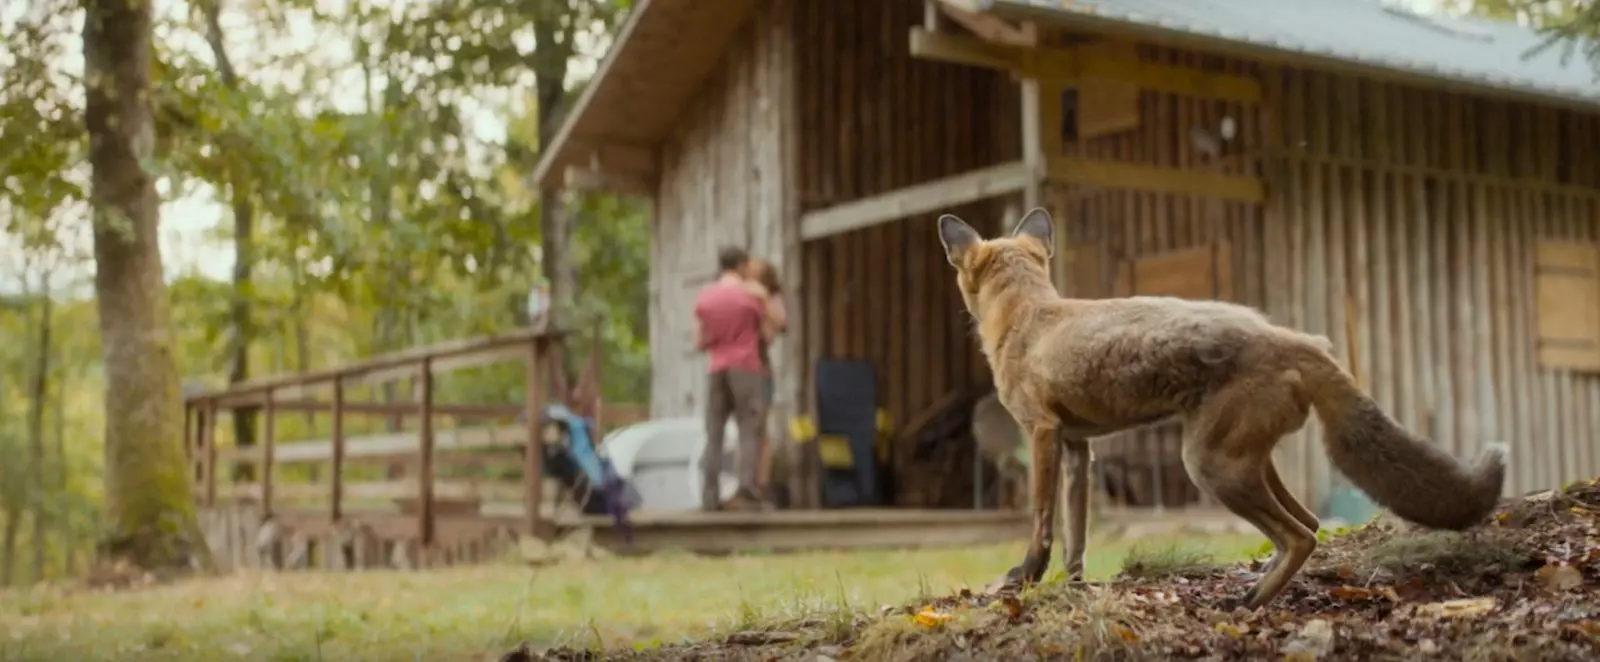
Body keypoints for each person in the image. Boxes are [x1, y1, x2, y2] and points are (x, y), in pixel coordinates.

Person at [693, 246, 769, 511]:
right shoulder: (750, 298)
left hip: (716, 368)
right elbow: (766, 334)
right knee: (749, 427)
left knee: (714, 432)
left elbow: (700, 341)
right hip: (745, 366)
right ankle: (747, 487)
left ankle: (709, 494)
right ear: (740, 266)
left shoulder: (705, 297)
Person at [739, 259, 786, 504]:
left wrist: (763, 299)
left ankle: (761, 485)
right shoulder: (739, 295)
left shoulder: (770, 299)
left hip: (760, 370)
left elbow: (775, 328)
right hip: (738, 369)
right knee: (742, 429)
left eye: (755, 275)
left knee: (761, 431)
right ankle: (743, 484)